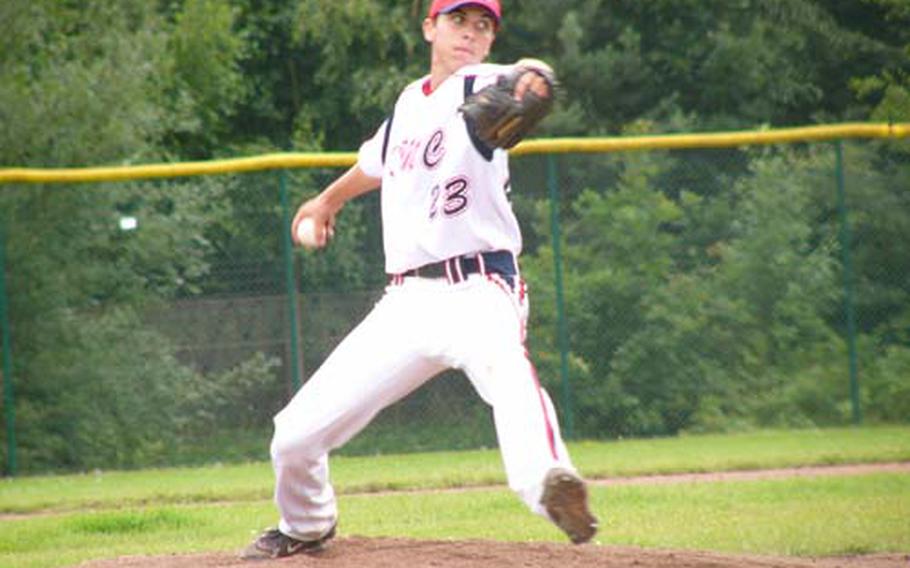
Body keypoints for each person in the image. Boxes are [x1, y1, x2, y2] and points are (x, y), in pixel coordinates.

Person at [241, 0, 598, 560]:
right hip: (406, 302)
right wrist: (325, 201)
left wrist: (529, 88)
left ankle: (552, 482)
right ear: (430, 26)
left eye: (484, 26)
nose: (472, 34)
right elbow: (375, 163)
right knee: (295, 435)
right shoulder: (411, 102)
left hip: (480, 287)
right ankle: (306, 525)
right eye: (460, 21)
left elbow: (529, 81)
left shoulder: (477, 86)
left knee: (506, 372)